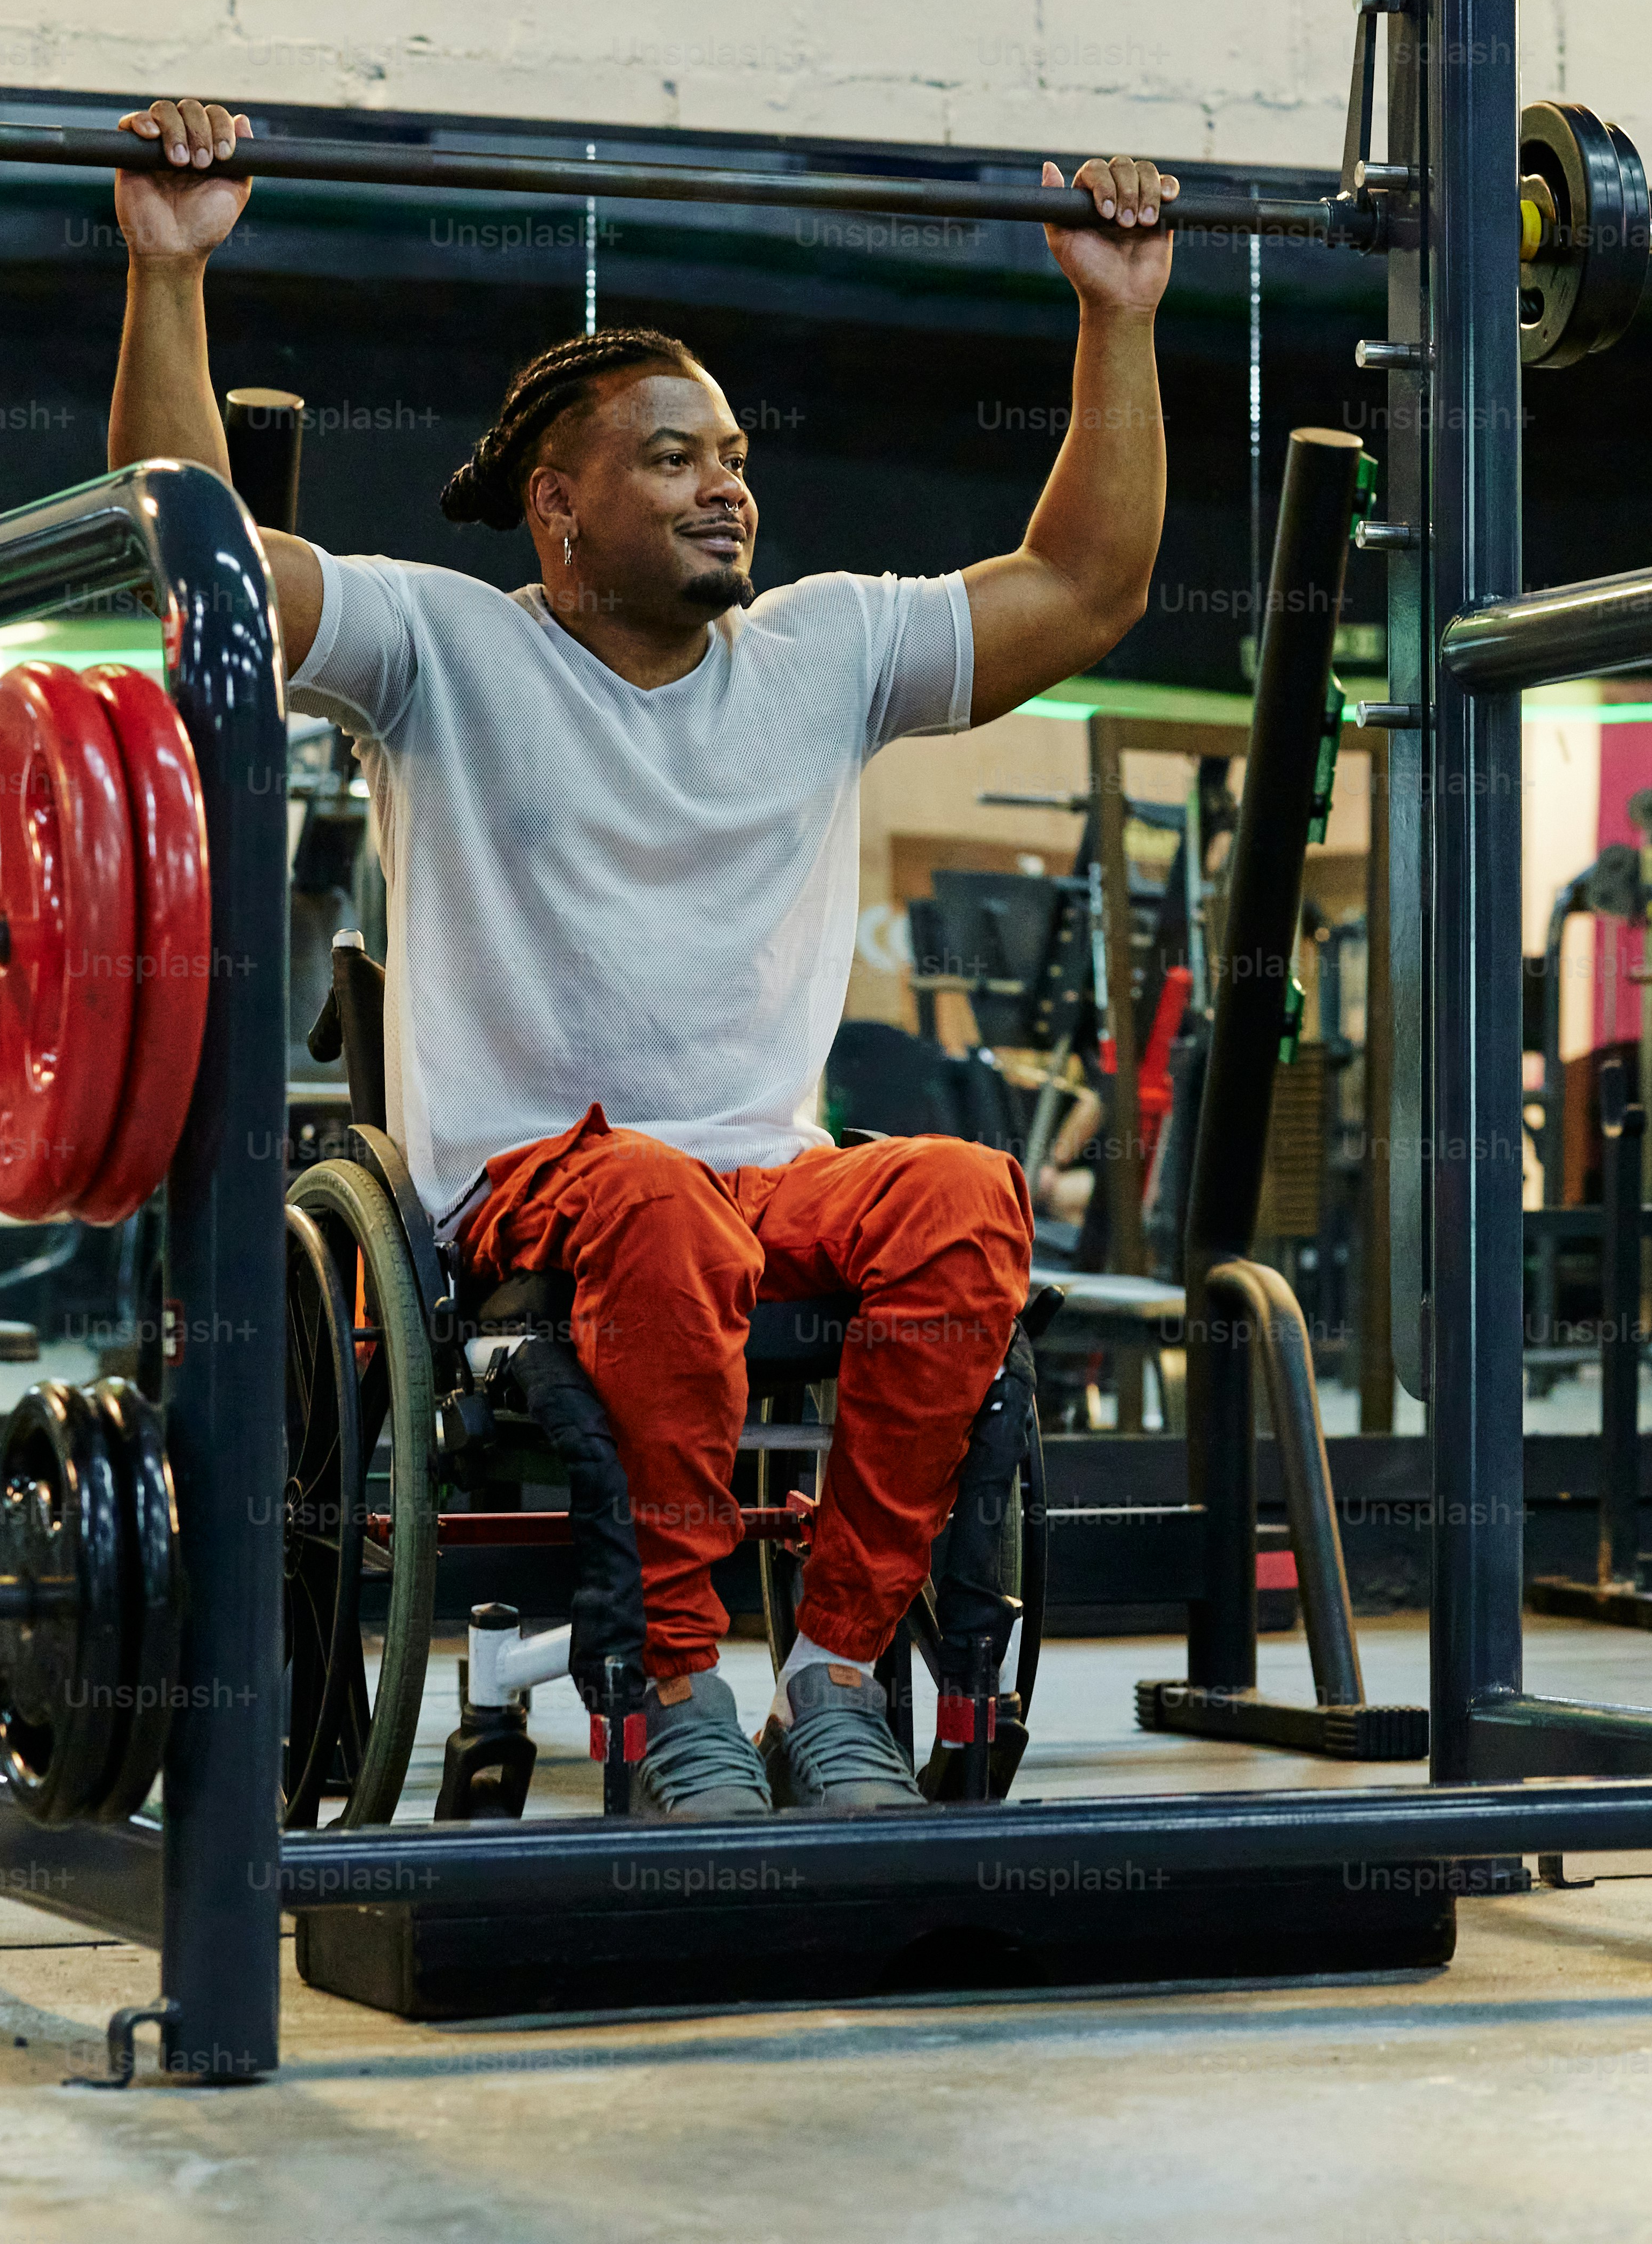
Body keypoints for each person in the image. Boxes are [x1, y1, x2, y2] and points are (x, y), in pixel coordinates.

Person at [104, 97, 1176, 1814]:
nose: (724, 486)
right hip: (529, 1187)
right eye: (672, 458)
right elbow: (205, 572)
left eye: (733, 456)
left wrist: (1114, 310)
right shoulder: (441, 648)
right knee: (657, 1205)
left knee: (967, 1195)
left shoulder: (826, 652)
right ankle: (673, 1683)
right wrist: (169, 273)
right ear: (557, 506)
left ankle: (825, 1681)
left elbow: (1089, 583)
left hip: (765, 1181)